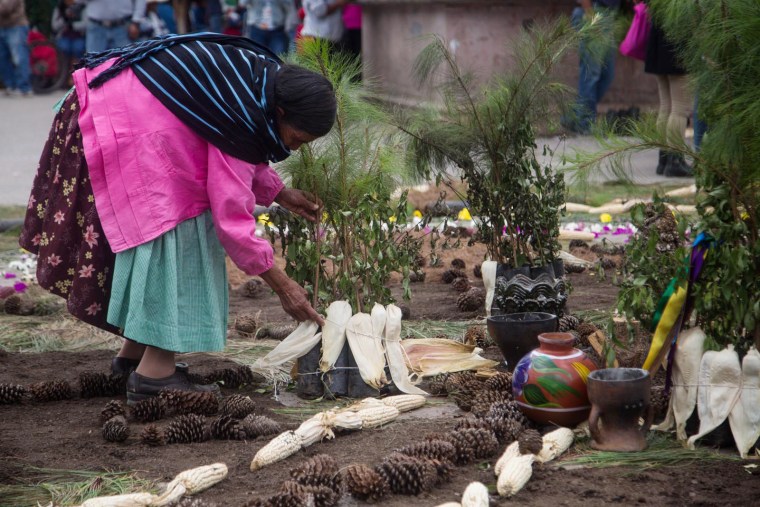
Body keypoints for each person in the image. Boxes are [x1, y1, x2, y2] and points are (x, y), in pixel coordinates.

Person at [20, 33, 334, 404]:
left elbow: (236, 150)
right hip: (120, 123)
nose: (292, 148)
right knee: (181, 231)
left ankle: (133, 356)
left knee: (163, 234)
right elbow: (233, 219)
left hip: (108, 107)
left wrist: (279, 192)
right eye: (296, 139)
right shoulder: (241, 114)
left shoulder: (257, 83)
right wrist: (284, 286)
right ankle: (155, 376)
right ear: (280, 112)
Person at [564, 0, 620, 134]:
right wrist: (590, 15)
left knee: (607, 74)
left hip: (606, 15)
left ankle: (575, 116)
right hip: (592, 12)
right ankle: (585, 123)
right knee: (591, 74)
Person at [645, 18, 692, 177]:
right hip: (677, 36)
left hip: (658, 35)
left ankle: (663, 160)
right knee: (680, 108)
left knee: (666, 106)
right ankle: (675, 162)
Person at [78, 0, 146, 53]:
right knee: (93, 65)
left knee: (125, 63)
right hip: (96, 28)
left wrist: (136, 21)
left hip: (123, 27)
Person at [0, 0, 32, 96]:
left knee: (19, 58)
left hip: (16, 26)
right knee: (3, 59)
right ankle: (11, 86)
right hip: (2, 26)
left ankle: (24, 88)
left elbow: (6, 8)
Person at [51, 0, 87, 74]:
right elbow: (54, 26)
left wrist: (73, 26)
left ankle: (77, 72)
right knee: (64, 47)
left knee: (78, 48)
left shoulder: (82, 8)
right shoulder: (59, 8)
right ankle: (63, 73)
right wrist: (65, 18)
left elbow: (86, 25)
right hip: (64, 36)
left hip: (79, 36)